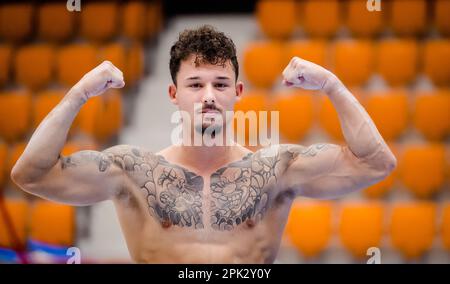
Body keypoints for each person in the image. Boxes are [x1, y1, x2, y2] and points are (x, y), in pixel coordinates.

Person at [11, 25, 396, 263]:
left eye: (220, 84)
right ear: (174, 93)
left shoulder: (276, 169)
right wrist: (79, 92)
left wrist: (331, 84)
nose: (208, 95)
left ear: (238, 92)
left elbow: (377, 163)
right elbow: (32, 173)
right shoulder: (131, 171)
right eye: (196, 85)